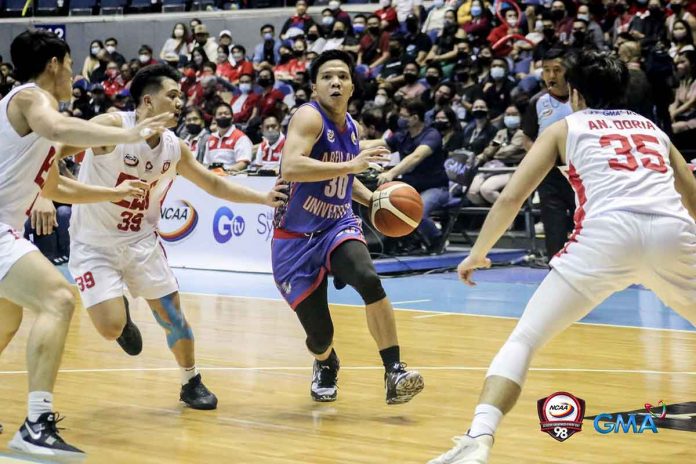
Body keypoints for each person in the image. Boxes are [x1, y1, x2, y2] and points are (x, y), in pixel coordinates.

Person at [428, 49, 696, 464]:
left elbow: (513, 195)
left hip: (607, 235)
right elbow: (690, 194)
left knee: (525, 339)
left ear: (574, 93)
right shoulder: (651, 128)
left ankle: (478, 438)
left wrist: (477, 253)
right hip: (672, 230)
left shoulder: (563, 127)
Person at [62, 64, 286, 413]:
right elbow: (54, 150)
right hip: (94, 243)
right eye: (173, 95)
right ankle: (121, 321)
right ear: (147, 101)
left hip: (142, 241)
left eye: (181, 95)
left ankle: (191, 380)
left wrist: (262, 198)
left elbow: (213, 184)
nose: (181, 102)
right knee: (109, 328)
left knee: (173, 315)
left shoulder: (174, 147)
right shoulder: (110, 127)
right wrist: (44, 194)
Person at [0, 29, 168, 456]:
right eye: (71, 65)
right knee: (57, 297)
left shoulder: (34, 122)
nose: (74, 74)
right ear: (54, 63)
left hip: (7, 227)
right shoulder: (31, 98)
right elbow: (57, 125)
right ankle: (36, 424)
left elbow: (56, 188)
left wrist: (111, 194)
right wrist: (131, 134)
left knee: (5, 324)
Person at [273, 50, 424, 404]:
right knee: (319, 336)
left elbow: (342, 178)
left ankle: (394, 370)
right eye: (327, 76)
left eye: (342, 76)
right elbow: (291, 167)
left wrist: (372, 200)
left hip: (337, 225)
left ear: (352, 87)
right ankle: (326, 362)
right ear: (314, 87)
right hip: (295, 239)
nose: (335, 81)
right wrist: (350, 166)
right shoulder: (308, 118)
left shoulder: (353, 128)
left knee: (368, 278)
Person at [365, 99, 451, 253]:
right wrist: (347, 143)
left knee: (417, 212)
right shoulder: (402, 136)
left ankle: (438, 240)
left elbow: (416, 157)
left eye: (404, 116)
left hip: (436, 187)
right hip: (412, 187)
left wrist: (392, 172)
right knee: (389, 204)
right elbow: (378, 143)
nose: (400, 119)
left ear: (415, 118)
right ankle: (408, 242)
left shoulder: (431, 135)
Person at [522, 47, 574, 259]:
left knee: (587, 223)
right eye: (546, 70)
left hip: (579, 172)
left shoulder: (582, 99)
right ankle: (556, 270)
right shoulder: (537, 101)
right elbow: (527, 138)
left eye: (557, 70)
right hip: (550, 175)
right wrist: (539, 160)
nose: (551, 76)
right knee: (554, 228)